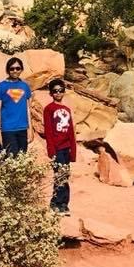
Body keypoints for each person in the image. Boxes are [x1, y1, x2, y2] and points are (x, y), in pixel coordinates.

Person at [42, 78, 76, 214]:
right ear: (51, 93)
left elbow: (71, 131)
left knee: (65, 175)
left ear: (64, 92)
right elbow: (48, 131)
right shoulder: (49, 109)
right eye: (55, 91)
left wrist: (73, 150)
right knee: (59, 175)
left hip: (66, 147)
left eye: (60, 90)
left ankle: (64, 204)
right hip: (57, 147)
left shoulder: (66, 109)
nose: (58, 93)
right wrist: (51, 149)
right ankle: (55, 203)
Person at [0, 57, 32, 156]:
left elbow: (27, 109)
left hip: (22, 128)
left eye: (18, 68)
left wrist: (30, 129)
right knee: (11, 159)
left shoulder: (25, 86)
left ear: (21, 69)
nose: (15, 71)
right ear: (7, 70)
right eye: (12, 68)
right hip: (7, 129)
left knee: (22, 160)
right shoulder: (0, 87)